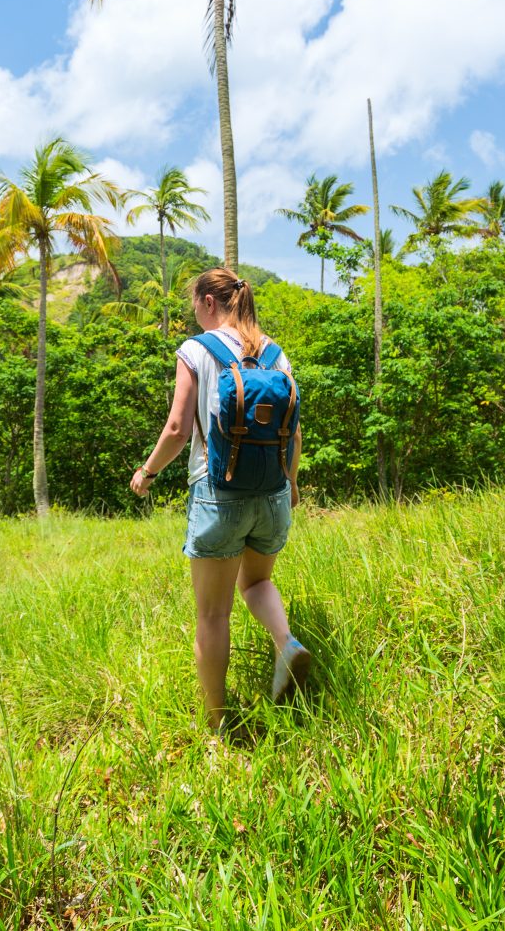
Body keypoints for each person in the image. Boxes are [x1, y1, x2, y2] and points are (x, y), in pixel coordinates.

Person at [130, 267, 310, 734]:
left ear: (210, 302)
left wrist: (147, 472)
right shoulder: (275, 352)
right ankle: (285, 642)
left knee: (213, 613)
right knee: (256, 584)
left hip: (218, 493)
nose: (194, 313)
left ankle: (217, 725)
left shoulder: (196, 349)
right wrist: (289, 483)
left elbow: (176, 428)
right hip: (272, 495)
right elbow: (294, 432)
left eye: (194, 304)